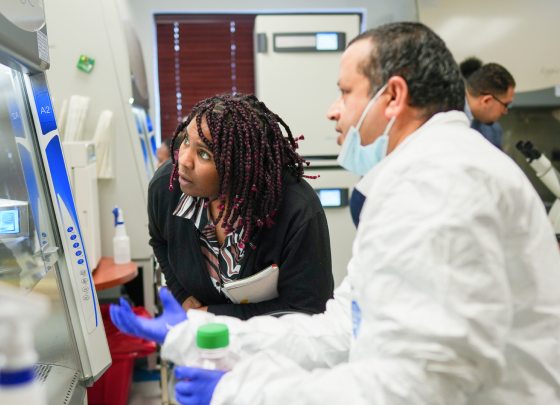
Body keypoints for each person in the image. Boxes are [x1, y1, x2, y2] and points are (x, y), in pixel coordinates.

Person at [111, 22, 560, 405]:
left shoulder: (442, 183)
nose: (333, 110)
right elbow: (342, 331)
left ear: (393, 96)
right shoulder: (417, 177)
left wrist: (243, 390)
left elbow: (417, 385)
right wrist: (195, 332)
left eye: (345, 92)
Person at [147, 93, 334, 319]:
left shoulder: (297, 211)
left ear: (238, 169)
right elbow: (160, 241)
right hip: (200, 341)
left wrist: (214, 315)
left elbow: (307, 308)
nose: (183, 160)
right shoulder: (167, 187)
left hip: (274, 346)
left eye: (203, 154)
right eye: (186, 141)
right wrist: (181, 294)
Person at [460, 57, 515, 150]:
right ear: (486, 100)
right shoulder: (446, 118)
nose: (505, 111)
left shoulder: (494, 130)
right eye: (505, 105)